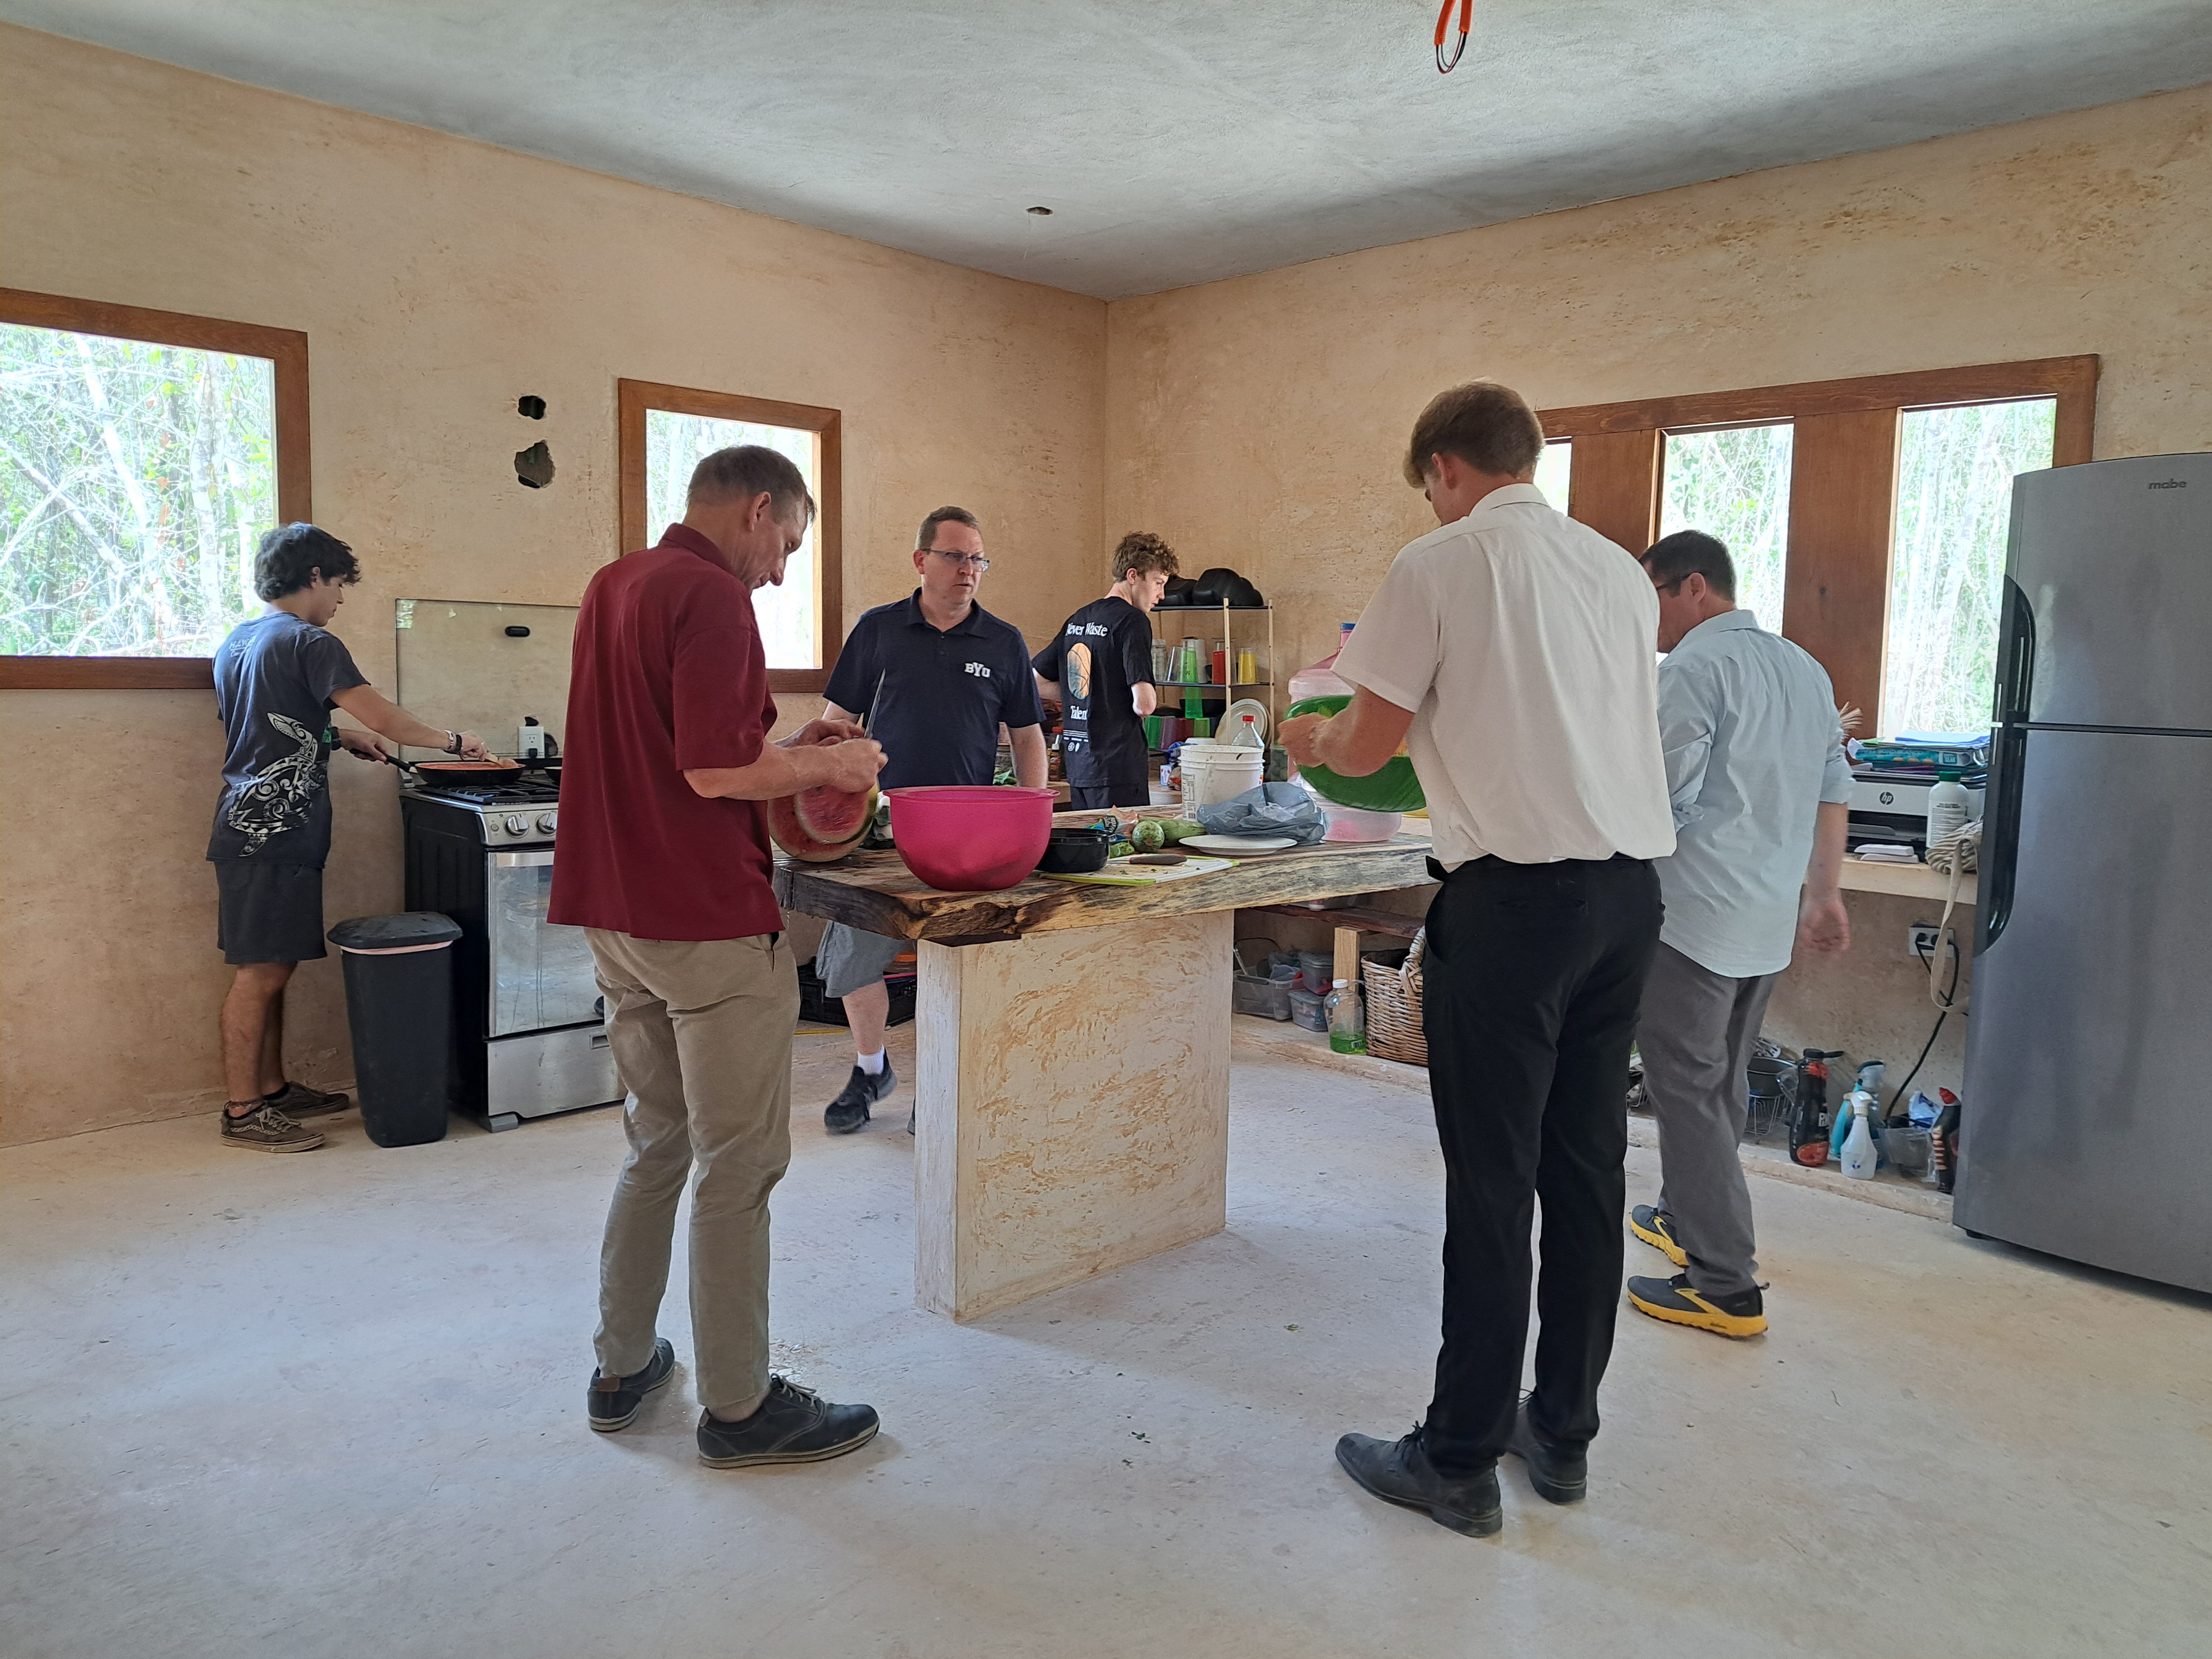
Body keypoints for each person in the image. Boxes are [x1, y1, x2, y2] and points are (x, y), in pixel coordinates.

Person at [1279, 381, 1675, 1537]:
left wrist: (1310, 740)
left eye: (1429, 488)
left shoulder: (1436, 563)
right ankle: (1559, 1432)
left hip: (1512, 911)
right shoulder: (1612, 571)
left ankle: (1453, 1455)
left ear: (1444, 470)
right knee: (1586, 1170)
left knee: (1493, 1182)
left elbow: (1368, 741)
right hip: (1623, 900)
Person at [551, 444, 885, 1466]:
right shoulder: (710, 596)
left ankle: (621, 1364)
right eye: (786, 543)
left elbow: (684, 745)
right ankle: (741, 1408)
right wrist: (833, 762)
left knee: (656, 1143)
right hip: (700, 920)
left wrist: (793, 747)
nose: (781, 570)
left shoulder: (616, 585)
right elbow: (711, 772)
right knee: (738, 1166)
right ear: (754, 510)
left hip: (615, 914)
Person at [1624, 530, 1855, 1338]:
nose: (1642, 615)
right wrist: (1821, 893)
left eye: (1646, 594)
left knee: (1684, 1090)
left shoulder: (1692, 666)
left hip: (1691, 917)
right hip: (1762, 918)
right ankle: (1685, 1218)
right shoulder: (1801, 666)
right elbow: (1833, 786)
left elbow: (1657, 796)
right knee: (1714, 1084)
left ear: (1690, 588)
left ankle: (1723, 1283)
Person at [208, 522, 490, 1154]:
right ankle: (243, 1110)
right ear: (314, 577)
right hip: (276, 830)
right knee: (261, 972)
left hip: (248, 824)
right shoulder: (311, 640)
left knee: (271, 964)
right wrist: (454, 741)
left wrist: (335, 738)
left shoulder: (238, 642)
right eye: (337, 585)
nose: (339, 599)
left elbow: (258, 730)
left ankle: (272, 1089)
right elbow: (383, 715)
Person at [813, 505, 1047, 1135]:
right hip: (880, 832)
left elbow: (1027, 737)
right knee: (853, 964)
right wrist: (828, 796)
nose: (969, 570)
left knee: (954, 966)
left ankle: (941, 1082)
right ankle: (870, 1069)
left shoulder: (1003, 642)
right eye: (955, 557)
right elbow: (837, 722)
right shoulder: (879, 631)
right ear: (922, 561)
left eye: (978, 559)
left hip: (967, 838)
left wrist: (1033, 823)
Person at [1034, 531, 1177, 809]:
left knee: (1091, 848)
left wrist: (1089, 696)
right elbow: (1145, 705)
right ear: (1133, 576)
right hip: (1119, 766)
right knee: (1120, 850)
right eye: (1158, 583)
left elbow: (1035, 682)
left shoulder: (1079, 618)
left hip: (1078, 765)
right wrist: (1111, 698)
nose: (1161, 595)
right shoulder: (1132, 620)